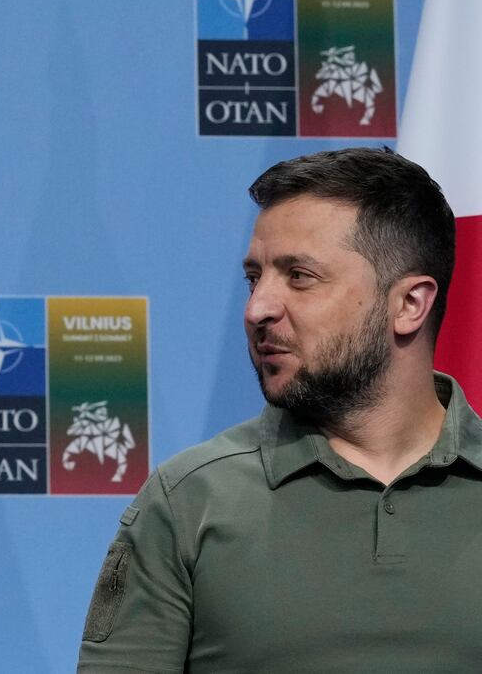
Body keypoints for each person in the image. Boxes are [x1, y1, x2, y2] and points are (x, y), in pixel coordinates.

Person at [77, 147, 482, 672]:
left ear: (409, 305)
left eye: (299, 276)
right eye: (254, 277)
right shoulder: (187, 501)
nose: (257, 309)